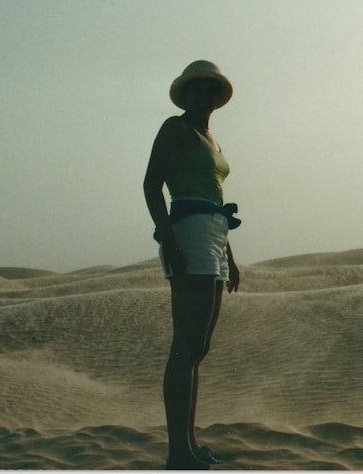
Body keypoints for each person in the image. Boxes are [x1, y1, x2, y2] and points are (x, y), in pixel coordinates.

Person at [143, 60, 242, 470]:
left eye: (209, 91)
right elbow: (152, 184)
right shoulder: (175, 128)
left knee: (198, 348)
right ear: (185, 96)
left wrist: (230, 257)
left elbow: (215, 198)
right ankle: (177, 452)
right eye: (196, 91)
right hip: (188, 234)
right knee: (185, 347)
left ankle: (191, 443)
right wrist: (170, 239)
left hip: (214, 236)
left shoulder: (211, 138)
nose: (204, 98)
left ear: (218, 98)